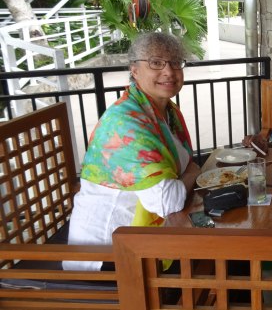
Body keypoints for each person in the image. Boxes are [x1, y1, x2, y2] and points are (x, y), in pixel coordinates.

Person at [64, 32, 200, 271]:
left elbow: (184, 168)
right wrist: (193, 173)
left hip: (146, 238)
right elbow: (167, 202)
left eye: (175, 62)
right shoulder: (125, 123)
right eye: (156, 63)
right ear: (134, 70)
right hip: (108, 256)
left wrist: (188, 173)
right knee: (227, 258)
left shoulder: (165, 112)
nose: (169, 71)